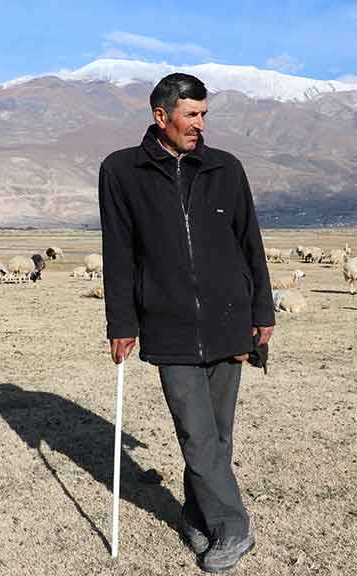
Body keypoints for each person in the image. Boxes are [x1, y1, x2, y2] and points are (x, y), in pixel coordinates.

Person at [98, 73, 274, 573]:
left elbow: (250, 243)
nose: (200, 125)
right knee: (195, 432)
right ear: (161, 117)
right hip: (168, 322)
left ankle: (199, 515)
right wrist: (121, 322)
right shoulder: (121, 171)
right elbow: (118, 253)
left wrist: (263, 311)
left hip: (229, 319)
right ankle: (235, 527)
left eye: (203, 115)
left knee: (218, 434)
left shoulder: (225, 168)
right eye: (191, 115)